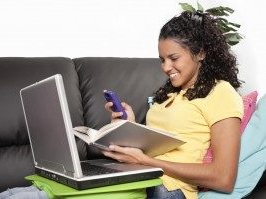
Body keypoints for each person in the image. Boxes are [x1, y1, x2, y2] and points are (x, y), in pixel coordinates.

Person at [103, 11, 243, 199]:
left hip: (168, 188)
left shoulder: (220, 92)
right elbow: (160, 146)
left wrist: (146, 161)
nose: (166, 67)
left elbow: (223, 178)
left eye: (174, 58)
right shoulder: (170, 94)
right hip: (142, 175)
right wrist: (130, 126)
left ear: (200, 52)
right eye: (162, 60)